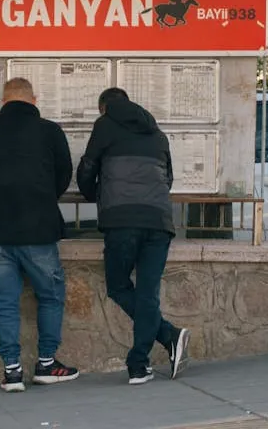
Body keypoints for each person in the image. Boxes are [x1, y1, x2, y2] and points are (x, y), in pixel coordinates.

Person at [0, 78, 80, 393]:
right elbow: (63, 175)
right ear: (34, 100)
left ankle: (12, 371)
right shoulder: (50, 131)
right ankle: (46, 364)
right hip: (39, 228)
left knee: (4, 302)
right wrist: (42, 197)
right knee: (50, 296)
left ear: (4, 101)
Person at [76, 87, 190, 386]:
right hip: (159, 221)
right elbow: (168, 178)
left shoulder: (104, 125)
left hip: (122, 220)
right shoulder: (157, 133)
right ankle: (142, 361)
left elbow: (88, 166)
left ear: (104, 108)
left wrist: (93, 194)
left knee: (117, 286)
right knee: (147, 293)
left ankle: (164, 340)